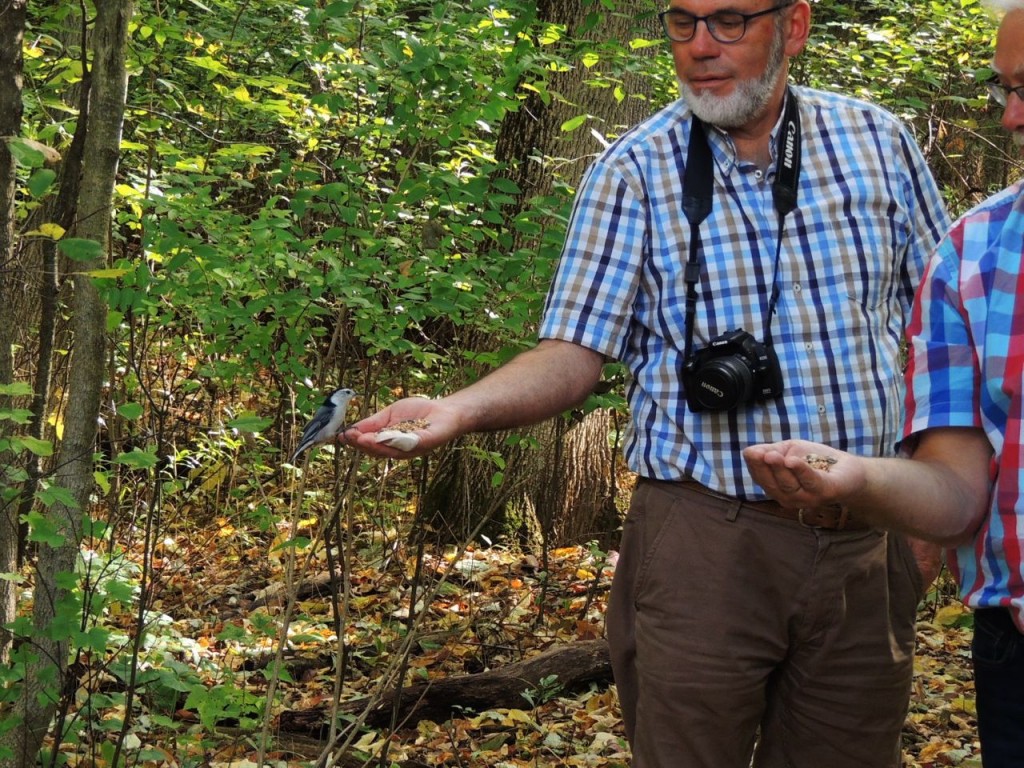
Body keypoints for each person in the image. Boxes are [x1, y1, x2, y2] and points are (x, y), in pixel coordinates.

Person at [345, 1, 950, 765]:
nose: (700, 46)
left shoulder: (879, 143)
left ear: (792, 27)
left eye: (729, 21)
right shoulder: (634, 170)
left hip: (868, 536)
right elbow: (571, 352)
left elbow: (947, 337)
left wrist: (928, 524)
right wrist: (455, 411)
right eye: (681, 22)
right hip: (704, 540)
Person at [743, 3, 1024, 764]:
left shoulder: (878, 144)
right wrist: (858, 476)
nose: (1012, 119)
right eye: (1006, 91)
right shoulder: (974, 254)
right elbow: (959, 493)